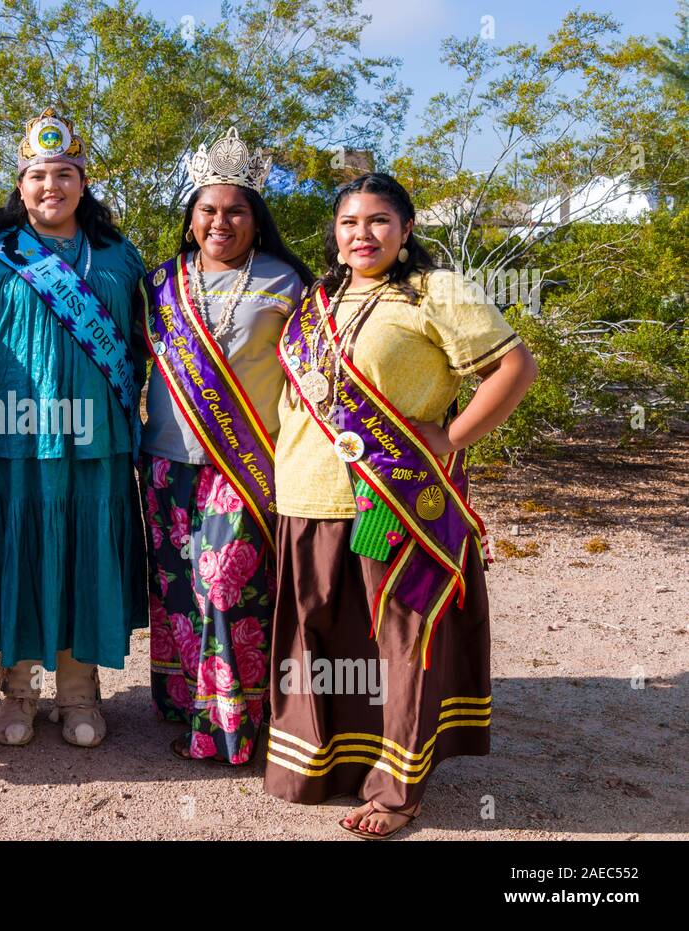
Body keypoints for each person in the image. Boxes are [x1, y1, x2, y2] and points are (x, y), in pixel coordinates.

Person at [266, 172, 537, 837]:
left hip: (389, 498)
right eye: (350, 222)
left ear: (407, 228)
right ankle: (321, 764)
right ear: (334, 232)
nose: (363, 234)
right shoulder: (316, 300)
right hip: (306, 494)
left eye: (380, 221)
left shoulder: (434, 291)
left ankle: (397, 791)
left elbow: (515, 368)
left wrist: (450, 436)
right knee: (319, 634)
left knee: (400, 637)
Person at [0, 106, 148, 748]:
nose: (50, 187)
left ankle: (80, 692)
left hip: (95, 444)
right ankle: (17, 692)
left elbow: (149, 346)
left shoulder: (118, 257)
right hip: (14, 442)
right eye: (38, 175)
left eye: (64, 173)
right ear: (20, 182)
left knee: (84, 555)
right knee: (20, 558)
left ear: (84, 182)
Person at [139, 127, 312, 764]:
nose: (221, 221)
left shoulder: (288, 283)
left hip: (243, 465)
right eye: (208, 209)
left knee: (225, 590)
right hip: (164, 461)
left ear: (255, 218)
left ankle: (229, 722)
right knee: (179, 588)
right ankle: (186, 702)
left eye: (235, 210)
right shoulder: (158, 284)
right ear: (189, 219)